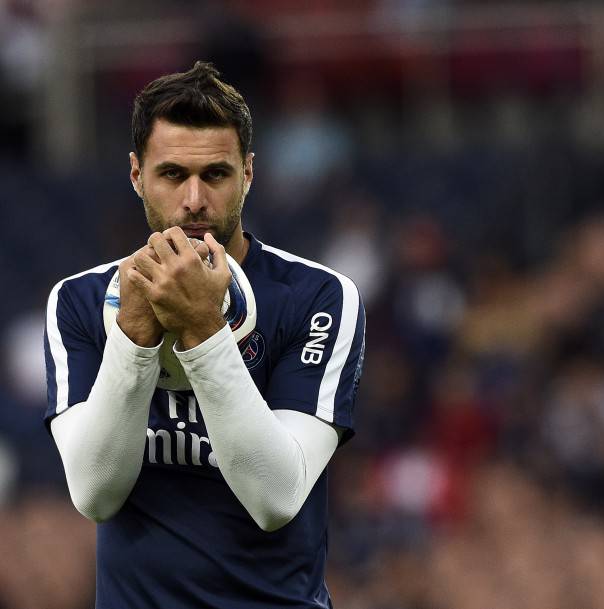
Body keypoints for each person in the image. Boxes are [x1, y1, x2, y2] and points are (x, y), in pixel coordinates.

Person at [43, 61, 366, 608]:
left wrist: (202, 329)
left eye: (215, 174)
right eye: (172, 174)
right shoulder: (78, 302)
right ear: (135, 174)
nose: (194, 200)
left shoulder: (320, 297)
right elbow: (96, 494)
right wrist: (135, 337)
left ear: (248, 173)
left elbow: (275, 496)